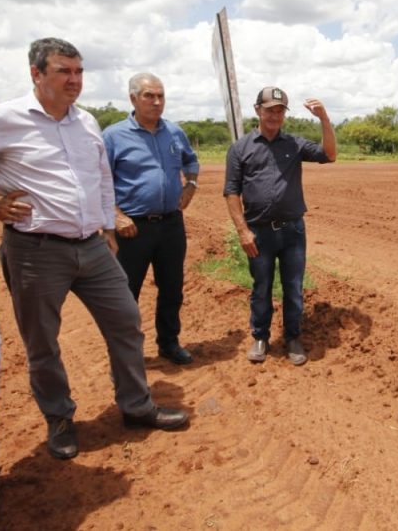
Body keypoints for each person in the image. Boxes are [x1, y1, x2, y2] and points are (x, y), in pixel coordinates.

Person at [0, 37, 188, 461]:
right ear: (36, 73)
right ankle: (59, 419)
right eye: (63, 71)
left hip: (91, 245)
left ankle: (136, 406)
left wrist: (107, 224)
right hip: (35, 250)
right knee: (43, 342)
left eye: (79, 71)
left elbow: (102, 179)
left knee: (126, 321)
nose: (75, 80)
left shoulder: (86, 122)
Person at [224, 86, 336, 366]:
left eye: (279, 110)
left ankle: (293, 337)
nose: (274, 115)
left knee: (293, 287)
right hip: (258, 232)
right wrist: (242, 231)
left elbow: (330, 154)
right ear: (257, 110)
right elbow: (231, 192)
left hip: (292, 232)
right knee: (261, 286)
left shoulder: (294, 144)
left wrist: (324, 119)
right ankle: (260, 337)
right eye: (269, 109)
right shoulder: (240, 148)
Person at [103, 73, 200, 365]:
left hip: (171, 225)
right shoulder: (113, 136)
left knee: (172, 288)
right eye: (149, 96)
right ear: (133, 99)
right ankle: (125, 355)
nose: (157, 102)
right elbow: (99, 180)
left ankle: (169, 343)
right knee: (125, 294)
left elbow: (191, 161)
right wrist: (116, 216)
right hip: (132, 229)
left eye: (161, 96)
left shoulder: (174, 132)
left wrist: (191, 185)